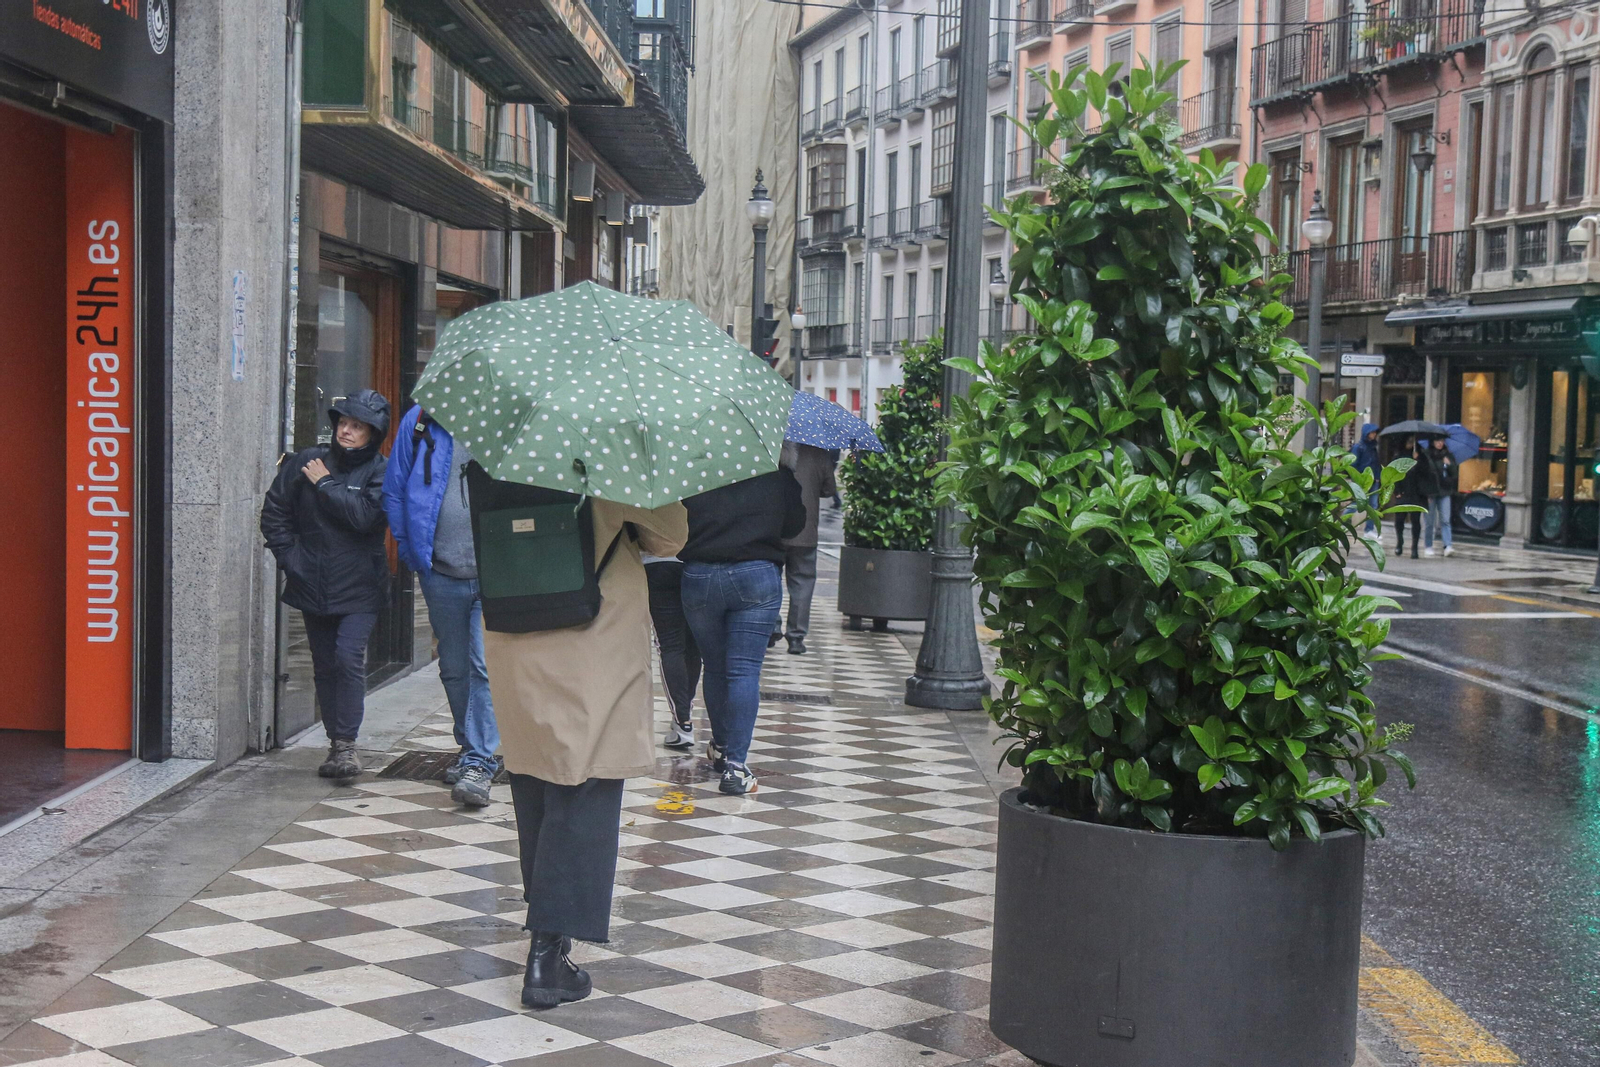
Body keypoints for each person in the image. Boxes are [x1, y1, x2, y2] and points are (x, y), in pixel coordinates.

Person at [483, 496, 688, 1009]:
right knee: (586, 782)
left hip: (519, 627)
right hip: (590, 636)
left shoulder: (509, 453)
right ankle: (547, 956)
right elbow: (671, 535)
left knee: (536, 780)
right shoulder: (610, 457)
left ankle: (550, 935)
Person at [261, 390, 391, 781]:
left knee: (348, 657)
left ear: (374, 433)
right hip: (312, 580)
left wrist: (326, 485)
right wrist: (292, 560)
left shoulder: (382, 471)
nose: (346, 431)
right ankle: (336, 746)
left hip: (360, 585)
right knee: (324, 665)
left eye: (358, 426)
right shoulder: (306, 461)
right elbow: (274, 513)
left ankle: (347, 747)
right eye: (343, 423)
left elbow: (368, 518)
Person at [382, 405, 501, 807]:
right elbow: (395, 488)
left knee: (483, 665)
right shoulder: (422, 420)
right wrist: (412, 551)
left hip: (495, 570)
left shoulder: (503, 416)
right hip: (439, 570)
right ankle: (469, 747)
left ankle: (480, 762)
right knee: (453, 666)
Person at [681, 466, 807, 795]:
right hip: (756, 574)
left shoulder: (698, 472)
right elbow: (796, 525)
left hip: (699, 576)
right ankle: (736, 767)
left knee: (714, 664)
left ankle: (721, 746)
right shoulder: (778, 476)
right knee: (744, 671)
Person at [769, 442, 837, 656]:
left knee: (771, 579)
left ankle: (772, 626)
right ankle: (796, 637)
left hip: (775, 527)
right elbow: (829, 489)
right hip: (806, 531)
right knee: (803, 583)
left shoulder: (773, 445)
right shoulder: (819, 453)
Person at [645, 551, 701, 749]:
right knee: (694, 645)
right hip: (694, 564)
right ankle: (684, 712)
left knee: (669, 645)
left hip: (656, 564)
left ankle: (682, 723)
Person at [1422, 436, 1458, 558]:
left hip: (1445, 491)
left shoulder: (1447, 456)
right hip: (1431, 492)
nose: (1440, 443)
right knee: (1429, 521)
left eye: (1442, 441)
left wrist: (1449, 465)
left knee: (1445, 520)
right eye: (1437, 441)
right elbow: (1424, 475)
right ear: (1432, 442)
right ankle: (1428, 545)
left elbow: (1454, 475)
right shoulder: (1426, 455)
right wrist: (1426, 492)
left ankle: (1447, 545)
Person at [1393, 437, 1426, 560]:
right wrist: (1397, 491)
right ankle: (1399, 541)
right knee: (1399, 519)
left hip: (1416, 494)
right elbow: (1394, 473)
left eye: (1413, 443)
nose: (1410, 445)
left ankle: (1414, 547)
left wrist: (1418, 460)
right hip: (1403, 492)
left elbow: (1425, 473)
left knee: (1415, 521)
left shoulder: (1420, 456)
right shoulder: (1399, 457)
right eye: (1409, 442)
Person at [1351, 423, 1381, 534]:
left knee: (1373, 506)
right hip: (1362, 481)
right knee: (1354, 504)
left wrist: (1377, 477)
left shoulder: (1373, 448)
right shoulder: (1358, 447)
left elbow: (1376, 463)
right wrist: (1358, 478)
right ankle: (1343, 526)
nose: (1374, 435)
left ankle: (1369, 529)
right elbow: (1353, 464)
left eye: (1375, 433)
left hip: (1374, 481)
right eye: (1372, 432)